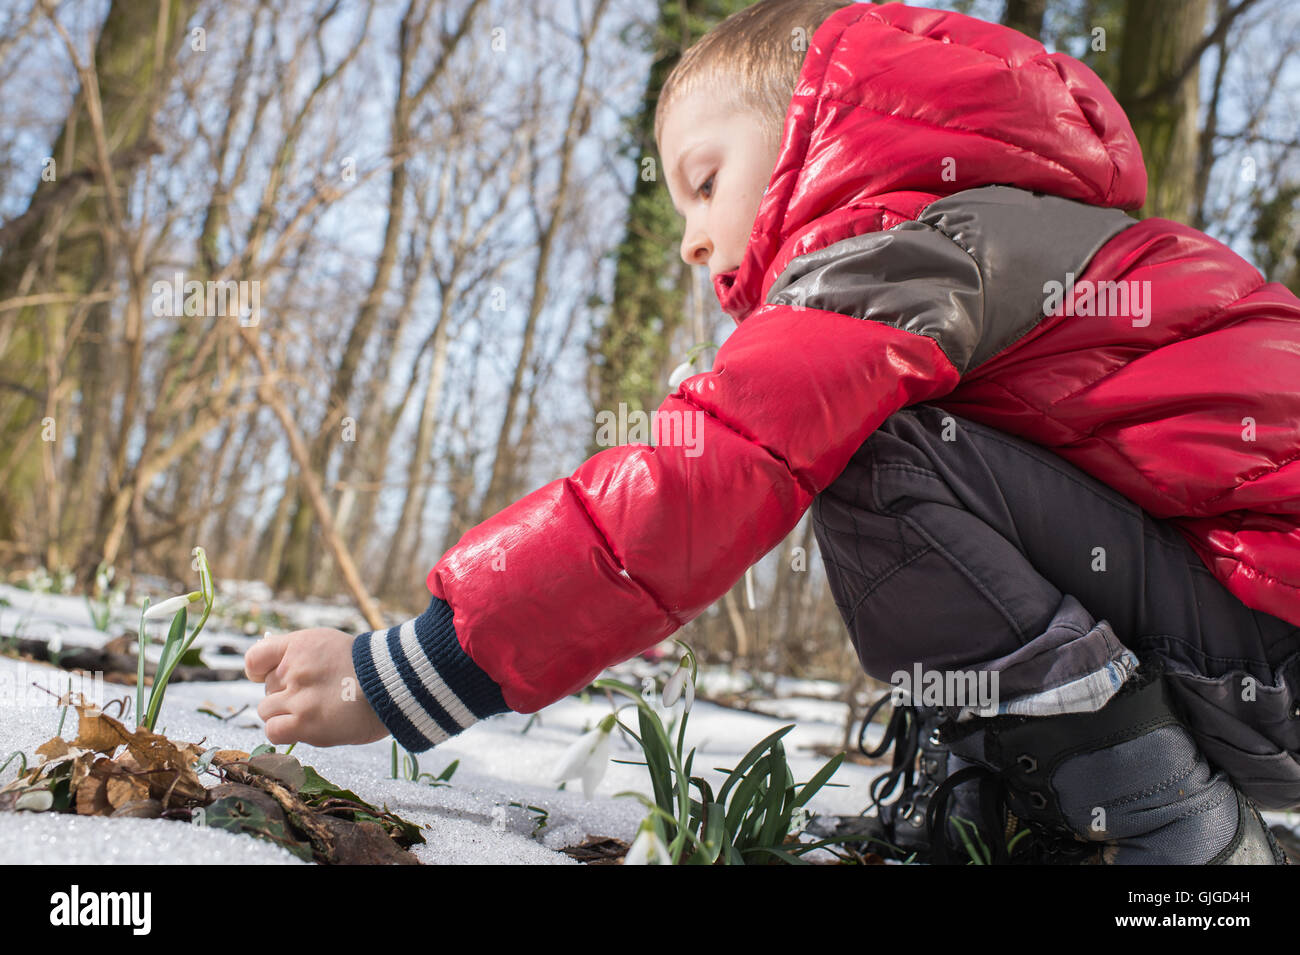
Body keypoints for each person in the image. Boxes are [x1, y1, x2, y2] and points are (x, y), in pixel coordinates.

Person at [244, 0, 1300, 863]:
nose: (694, 235)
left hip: (1266, 648)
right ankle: (1020, 809)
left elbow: (706, 470)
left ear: (818, 123)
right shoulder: (1016, 238)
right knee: (889, 439)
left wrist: (414, 667)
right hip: (1252, 632)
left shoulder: (909, 249)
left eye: (703, 181)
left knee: (859, 448)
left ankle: (1167, 827)